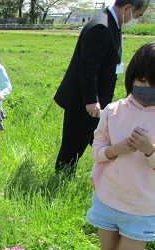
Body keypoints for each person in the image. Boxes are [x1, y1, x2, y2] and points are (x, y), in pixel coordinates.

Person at [87, 42, 155, 250]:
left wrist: (149, 149)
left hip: (141, 208)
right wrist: (116, 150)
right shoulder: (113, 111)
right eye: (141, 81)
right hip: (108, 199)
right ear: (131, 78)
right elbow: (97, 149)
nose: (146, 88)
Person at [54, 0, 150, 173]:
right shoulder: (101, 27)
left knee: (100, 140)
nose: (137, 19)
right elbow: (88, 68)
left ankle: (108, 174)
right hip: (84, 102)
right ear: (127, 8)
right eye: (138, 15)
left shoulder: (112, 24)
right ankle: (59, 181)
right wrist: (91, 100)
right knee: (72, 147)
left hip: (96, 102)